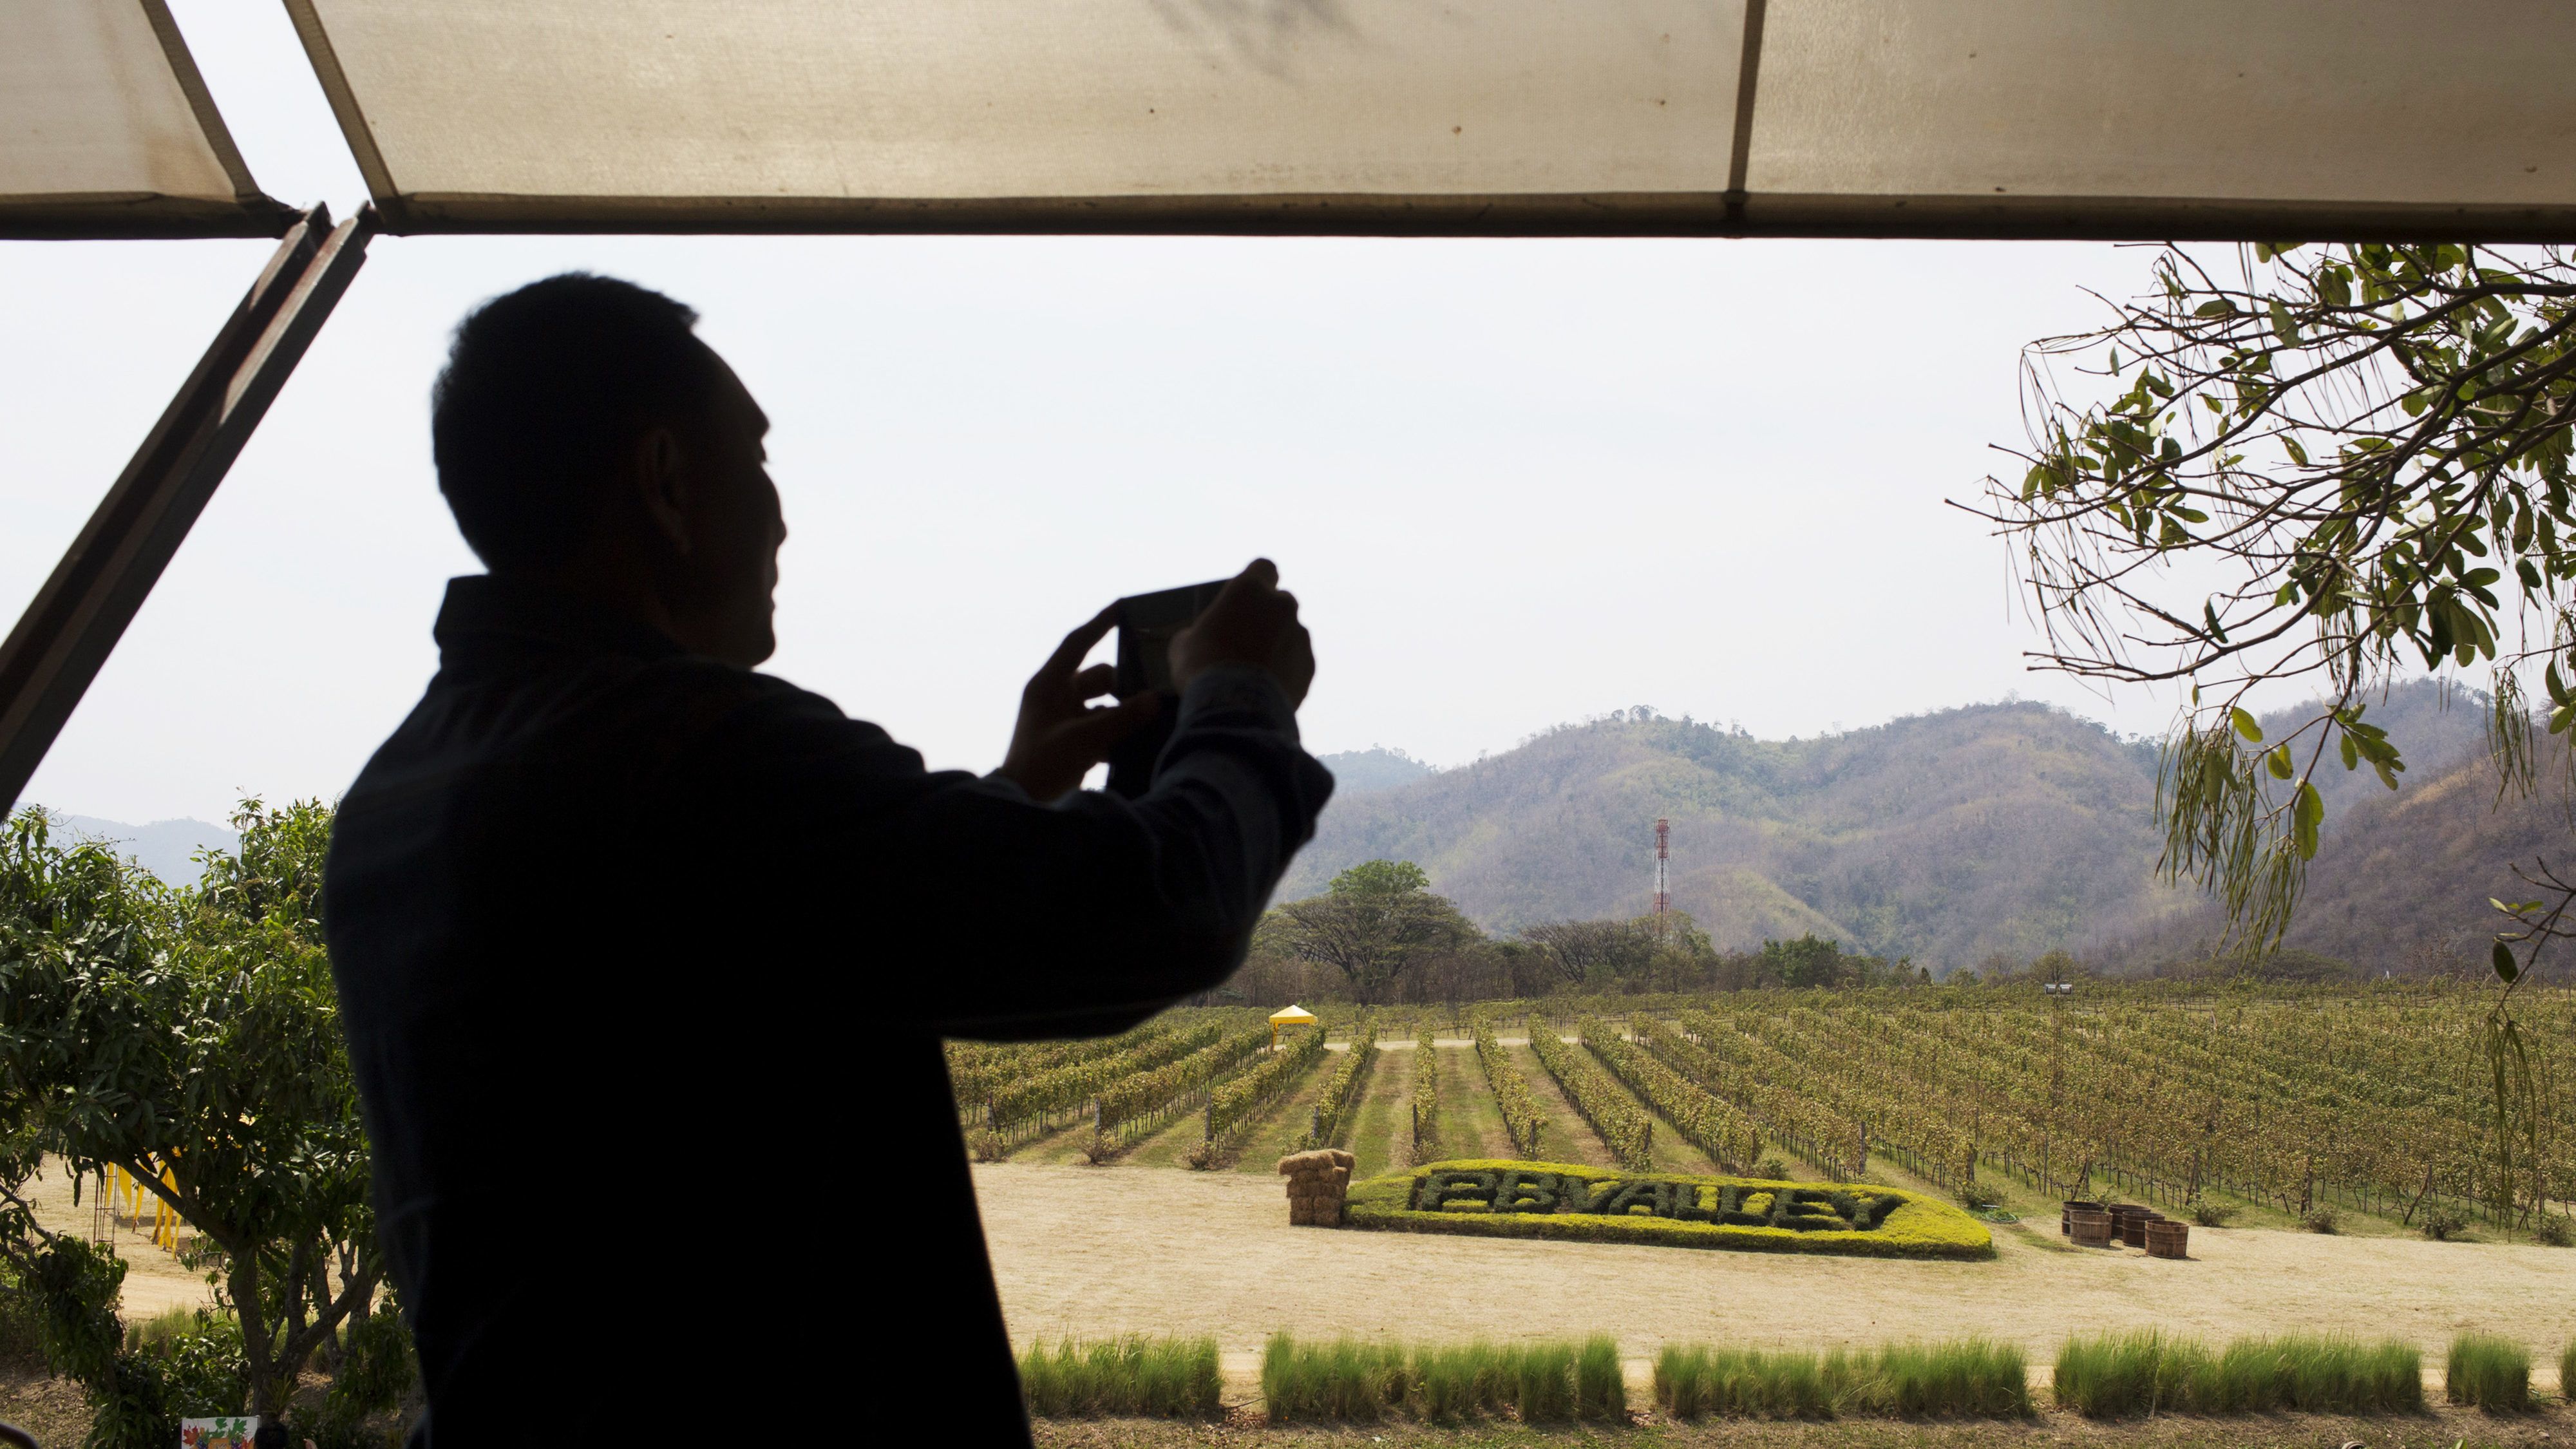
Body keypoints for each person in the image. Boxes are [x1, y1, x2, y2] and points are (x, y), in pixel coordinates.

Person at [321, 274, 1332, 1445]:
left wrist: (1010, 800)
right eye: (755, 459)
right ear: (665, 481)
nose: (782, 513)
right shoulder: (690, 755)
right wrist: (1240, 699)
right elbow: (1162, 907)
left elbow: (729, 995)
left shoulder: (403, 795)